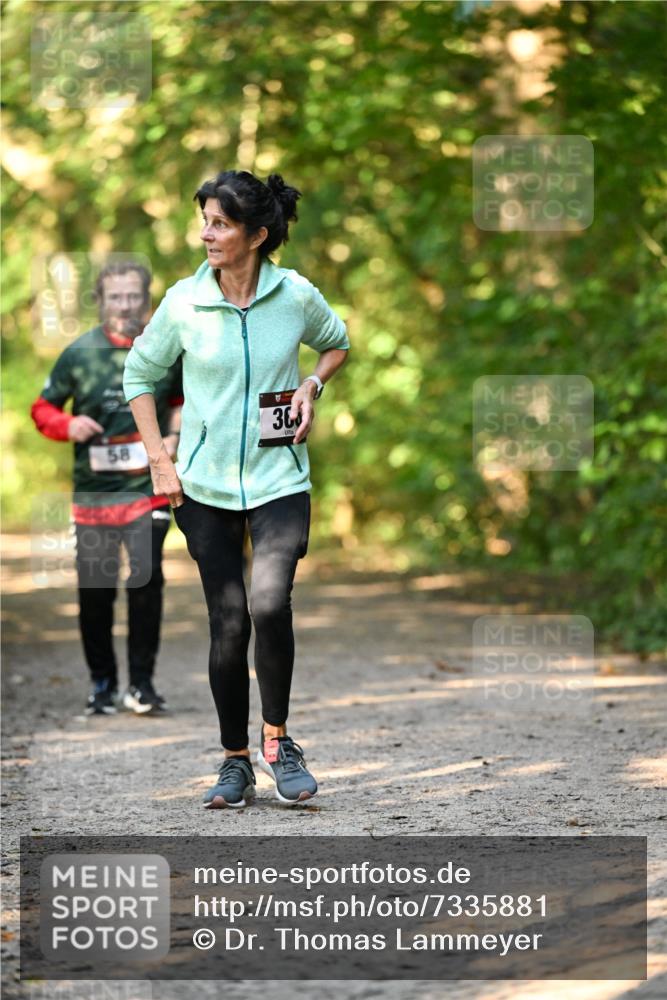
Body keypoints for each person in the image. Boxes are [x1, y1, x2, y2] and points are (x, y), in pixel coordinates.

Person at [123, 170, 349, 808]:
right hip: (201, 485)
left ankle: (278, 743)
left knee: (270, 604)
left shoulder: (295, 295)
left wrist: (312, 386)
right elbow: (138, 374)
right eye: (205, 221)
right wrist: (160, 465)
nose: (206, 234)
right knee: (228, 620)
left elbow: (336, 345)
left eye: (220, 224)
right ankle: (235, 761)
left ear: (256, 234)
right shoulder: (184, 303)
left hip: (281, 479)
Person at [31, 262, 183, 716]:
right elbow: (42, 408)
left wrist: (174, 437)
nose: (125, 305)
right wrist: (68, 423)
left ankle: (141, 684)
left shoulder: (164, 349)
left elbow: (179, 402)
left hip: (147, 490)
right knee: (96, 593)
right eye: (115, 297)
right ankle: (102, 684)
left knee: (146, 583)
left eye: (133, 296)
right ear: (100, 301)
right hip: (96, 496)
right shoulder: (80, 353)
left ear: (146, 299)